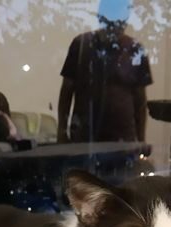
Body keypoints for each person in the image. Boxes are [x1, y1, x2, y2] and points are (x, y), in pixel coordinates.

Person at [57, 0, 153, 143]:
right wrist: (62, 131)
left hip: (122, 139)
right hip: (86, 137)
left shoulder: (135, 49)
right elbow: (66, 92)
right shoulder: (81, 45)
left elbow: (140, 101)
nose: (116, 25)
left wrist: (141, 140)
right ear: (101, 17)